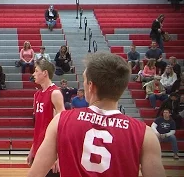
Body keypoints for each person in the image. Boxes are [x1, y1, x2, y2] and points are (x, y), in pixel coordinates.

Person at [27, 52, 165, 177]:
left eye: (85, 80)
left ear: (91, 86)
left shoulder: (61, 121)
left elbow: (35, 174)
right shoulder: (146, 135)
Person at [28, 57, 65, 177]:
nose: (34, 74)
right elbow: (39, 126)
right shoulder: (37, 95)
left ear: (45, 73)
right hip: (39, 146)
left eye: (36, 71)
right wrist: (33, 149)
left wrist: (58, 155)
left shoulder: (55, 93)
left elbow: (62, 125)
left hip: (51, 150)